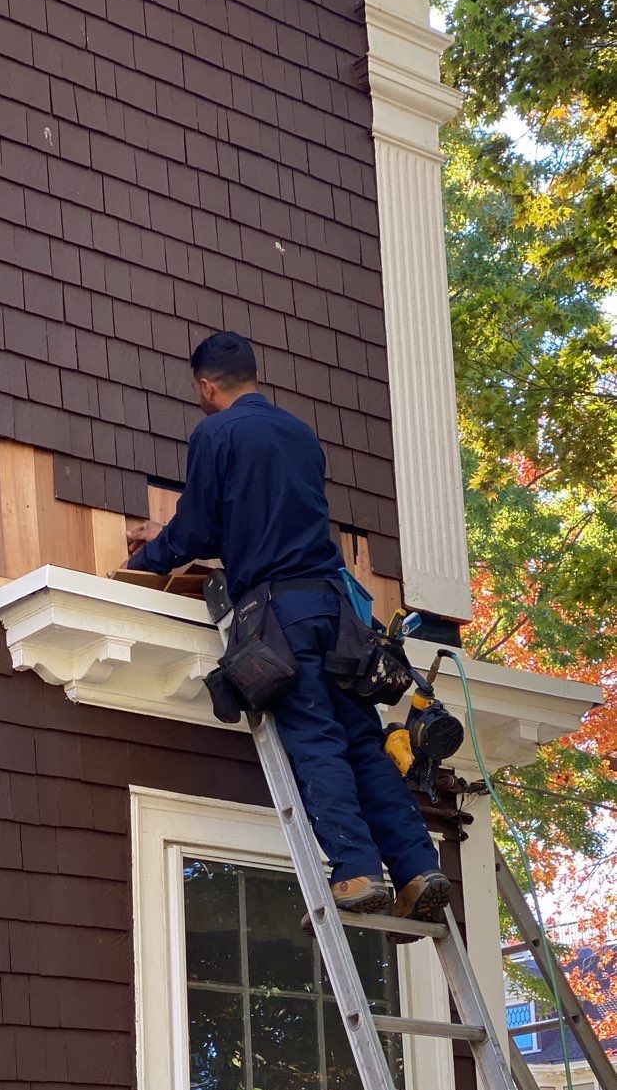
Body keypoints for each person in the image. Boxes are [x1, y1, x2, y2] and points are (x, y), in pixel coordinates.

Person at [127, 331, 450, 923]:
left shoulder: (214, 433)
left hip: (282, 615)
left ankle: (354, 871)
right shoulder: (300, 435)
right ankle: (415, 868)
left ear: (205, 385)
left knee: (315, 739)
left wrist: (145, 556)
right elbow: (260, 516)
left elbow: (198, 529)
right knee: (360, 740)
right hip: (337, 613)